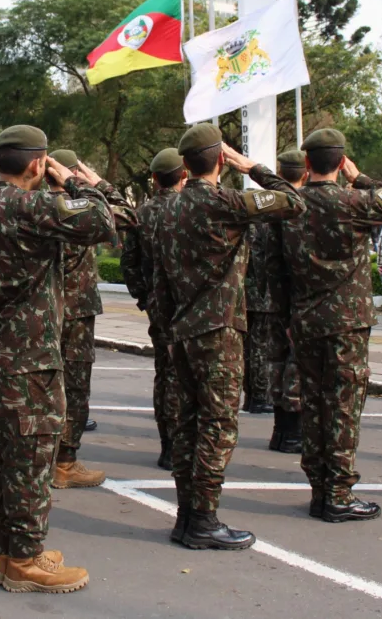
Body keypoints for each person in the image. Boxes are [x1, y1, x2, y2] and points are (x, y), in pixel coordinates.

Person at [0, 125, 113, 593]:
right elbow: (104, 220)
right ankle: (25, 561)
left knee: (9, 457)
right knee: (30, 457)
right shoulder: (28, 206)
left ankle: (11, 552)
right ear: (36, 164)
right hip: (27, 357)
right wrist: (73, 180)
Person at [151, 124, 305, 550]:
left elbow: (159, 280)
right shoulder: (229, 203)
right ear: (220, 160)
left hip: (180, 329)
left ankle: (188, 515)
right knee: (217, 424)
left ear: (183, 165)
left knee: (187, 422)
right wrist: (251, 165)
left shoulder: (167, 210)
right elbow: (293, 201)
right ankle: (203, 519)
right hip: (218, 330)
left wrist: (167, 328)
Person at [282, 130, 382, 523]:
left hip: (305, 319)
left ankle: (320, 489)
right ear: (341, 163)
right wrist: (362, 179)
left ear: (307, 165)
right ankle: (337, 495)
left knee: (314, 404)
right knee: (342, 406)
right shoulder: (356, 201)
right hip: (347, 323)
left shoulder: (291, 205)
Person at [46, 149, 136, 491]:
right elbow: (127, 215)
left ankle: (41, 459)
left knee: (43, 388)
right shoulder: (79, 211)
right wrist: (93, 183)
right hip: (76, 312)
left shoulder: (37, 207)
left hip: (42, 313)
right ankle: (65, 464)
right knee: (75, 388)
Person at [121, 148, 187, 470]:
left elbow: (129, 264)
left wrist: (144, 298)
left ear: (155, 179)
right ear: (183, 175)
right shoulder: (189, 208)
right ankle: (187, 444)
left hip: (159, 307)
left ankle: (169, 445)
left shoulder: (142, 213)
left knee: (166, 374)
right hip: (191, 307)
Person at [249, 149, 307, 453]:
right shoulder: (305, 207)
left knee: (276, 362)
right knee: (296, 365)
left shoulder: (268, 211)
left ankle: (281, 431)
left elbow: (260, 259)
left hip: (272, 299)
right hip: (302, 302)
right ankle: (293, 434)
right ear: (305, 173)